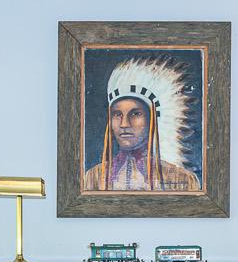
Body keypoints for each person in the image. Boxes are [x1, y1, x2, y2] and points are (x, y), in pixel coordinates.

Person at [81, 56, 201, 193]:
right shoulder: (93, 178)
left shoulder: (182, 179)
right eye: (117, 114)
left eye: (135, 114)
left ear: (152, 120)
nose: (124, 124)